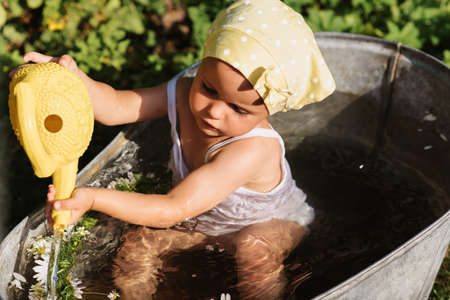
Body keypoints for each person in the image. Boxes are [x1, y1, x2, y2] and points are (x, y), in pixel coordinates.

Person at [24, 0, 335, 298]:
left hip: (271, 224)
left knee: (253, 250)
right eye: (209, 89)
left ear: (269, 113)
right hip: (209, 224)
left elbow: (174, 208)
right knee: (137, 245)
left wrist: (92, 197)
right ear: (201, 69)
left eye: (238, 110)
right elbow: (117, 107)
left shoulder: (251, 150)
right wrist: (72, 81)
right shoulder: (184, 91)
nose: (214, 111)